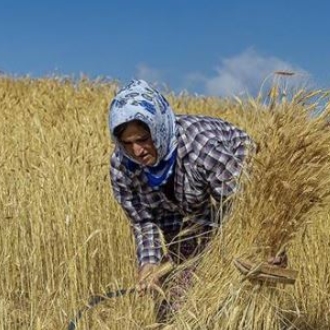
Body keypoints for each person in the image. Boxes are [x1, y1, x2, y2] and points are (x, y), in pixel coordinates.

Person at [108, 79, 256, 321]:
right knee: (176, 297)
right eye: (128, 143)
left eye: (143, 139)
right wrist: (149, 263)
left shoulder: (203, 149)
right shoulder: (122, 167)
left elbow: (243, 205)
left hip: (229, 197)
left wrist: (254, 246)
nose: (137, 151)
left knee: (227, 288)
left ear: (158, 128)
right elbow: (143, 221)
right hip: (177, 215)